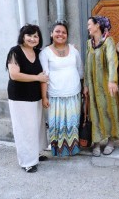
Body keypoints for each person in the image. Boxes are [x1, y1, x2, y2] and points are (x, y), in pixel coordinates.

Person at [6, 24, 49, 173]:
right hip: (19, 97)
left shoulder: (38, 52)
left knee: (36, 127)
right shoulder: (15, 51)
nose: (32, 38)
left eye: (36, 36)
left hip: (35, 96)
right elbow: (14, 74)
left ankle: (35, 154)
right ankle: (27, 162)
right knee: (24, 129)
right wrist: (36, 77)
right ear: (23, 36)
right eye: (29, 35)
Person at [84, 16, 119, 157]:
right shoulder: (89, 44)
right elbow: (86, 65)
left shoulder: (108, 41)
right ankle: (96, 142)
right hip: (93, 85)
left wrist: (112, 81)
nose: (88, 27)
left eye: (90, 24)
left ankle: (111, 141)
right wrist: (85, 85)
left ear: (97, 25)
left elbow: (111, 60)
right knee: (94, 112)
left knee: (109, 111)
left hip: (107, 84)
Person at [39, 22, 84, 157]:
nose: (60, 34)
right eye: (57, 31)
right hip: (56, 94)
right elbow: (44, 76)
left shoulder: (74, 50)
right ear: (51, 34)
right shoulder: (45, 53)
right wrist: (44, 97)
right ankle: (59, 150)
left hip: (74, 93)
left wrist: (84, 89)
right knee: (57, 124)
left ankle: (72, 149)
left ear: (67, 35)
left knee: (73, 122)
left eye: (64, 32)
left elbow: (80, 70)